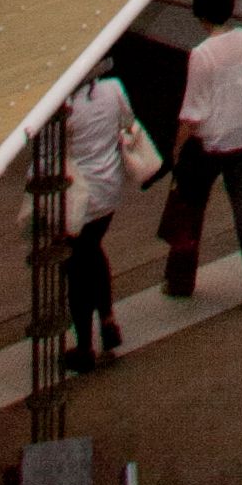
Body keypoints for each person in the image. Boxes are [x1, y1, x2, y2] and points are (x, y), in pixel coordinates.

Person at [157, 0, 242, 314]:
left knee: (190, 212)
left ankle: (180, 281)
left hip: (210, 146)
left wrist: (177, 147)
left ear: (201, 13)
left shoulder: (201, 55)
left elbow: (193, 112)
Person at [59, 60, 152, 372]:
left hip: (77, 198)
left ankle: (85, 346)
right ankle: (108, 320)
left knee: (75, 268)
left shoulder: (65, 108)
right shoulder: (113, 89)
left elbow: (49, 149)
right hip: (109, 190)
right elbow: (128, 120)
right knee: (93, 251)